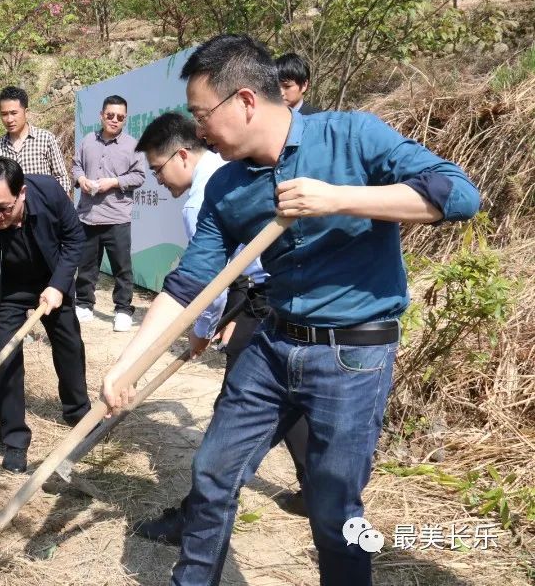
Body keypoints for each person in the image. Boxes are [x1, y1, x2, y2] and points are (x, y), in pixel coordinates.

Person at [101, 34, 479, 585]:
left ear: (246, 101)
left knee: (334, 509)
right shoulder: (227, 187)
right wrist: (126, 364)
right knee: (212, 473)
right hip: (272, 345)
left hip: (353, 355)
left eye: (203, 114)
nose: (199, 130)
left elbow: (460, 194)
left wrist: (339, 198)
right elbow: (188, 286)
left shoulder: (353, 136)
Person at [127, 111, 310, 549]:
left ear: (182, 155)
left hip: (265, 297)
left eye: (158, 169)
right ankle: (321, 489)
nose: (158, 181)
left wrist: (199, 331)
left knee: (237, 408)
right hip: (279, 294)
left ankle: (197, 516)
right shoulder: (228, 174)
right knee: (288, 396)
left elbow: (204, 283)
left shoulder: (201, 198)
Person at [0, 156, 91, 473]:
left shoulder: (48, 192)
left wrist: (59, 284)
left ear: (22, 193)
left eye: (2, 207)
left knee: (69, 343)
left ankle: (78, 412)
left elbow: (74, 238)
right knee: (5, 358)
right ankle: (15, 440)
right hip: (7, 291)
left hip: (50, 279)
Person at [71, 94, 148, 333]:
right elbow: (76, 165)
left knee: (122, 268)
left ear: (125, 119)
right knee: (87, 265)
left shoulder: (132, 145)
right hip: (88, 215)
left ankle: (123, 309)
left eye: (120, 117)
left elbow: (139, 176)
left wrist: (113, 182)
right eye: (110, 115)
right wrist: (81, 179)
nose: (114, 120)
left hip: (117, 217)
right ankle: (84, 303)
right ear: (101, 115)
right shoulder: (87, 141)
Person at [0, 86, 72, 197]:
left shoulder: (45, 139)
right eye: (4, 114)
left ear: (26, 112)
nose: (9, 119)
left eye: (14, 113)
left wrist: (57, 205)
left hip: (44, 210)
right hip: (11, 212)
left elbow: (61, 177)